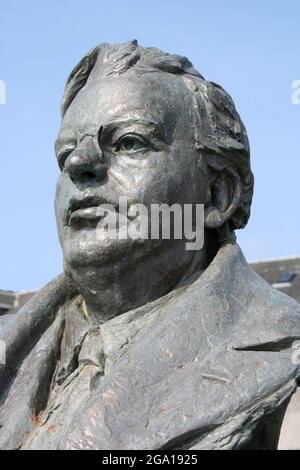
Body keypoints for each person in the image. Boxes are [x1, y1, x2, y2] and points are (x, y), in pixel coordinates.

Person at [0, 41, 299, 450]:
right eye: (65, 153)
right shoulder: (11, 343)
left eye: (129, 142)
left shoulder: (284, 352)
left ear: (216, 194)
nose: (77, 164)